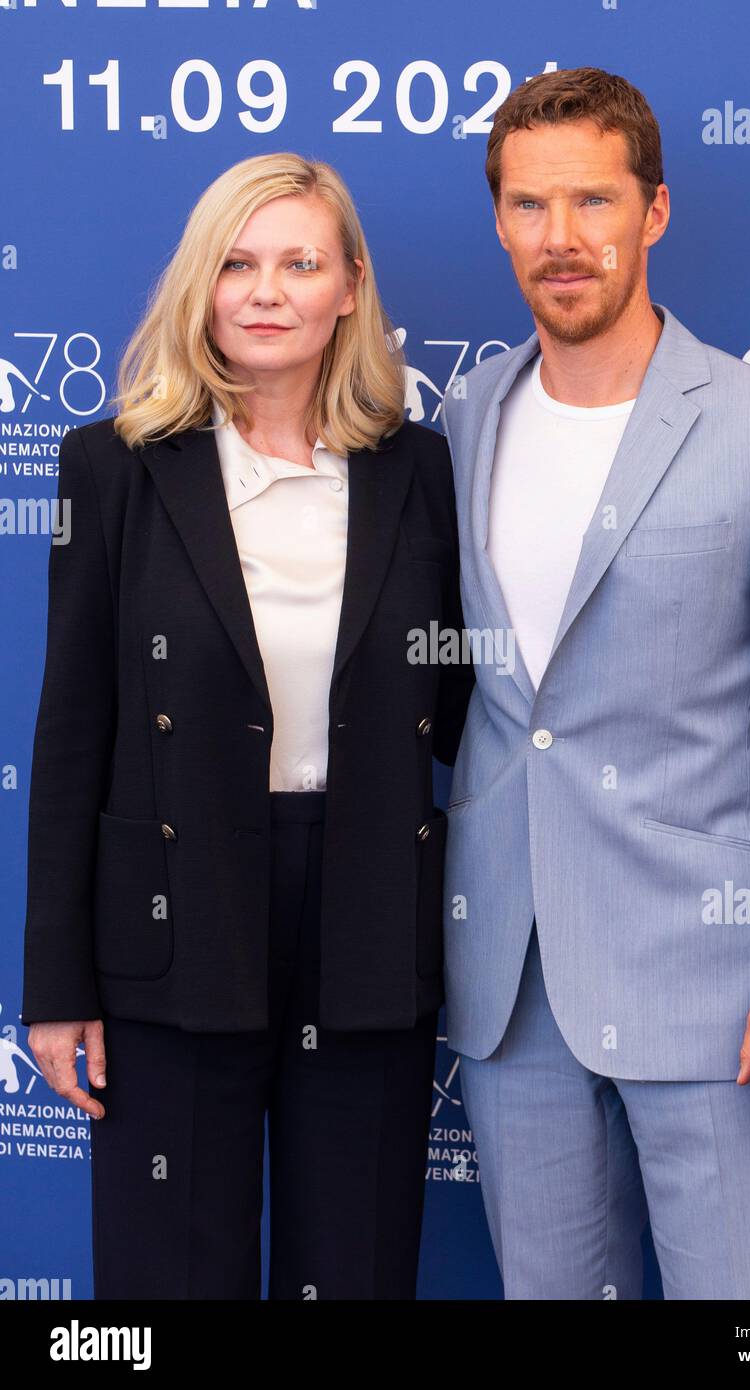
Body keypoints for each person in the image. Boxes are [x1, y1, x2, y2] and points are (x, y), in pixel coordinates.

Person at [440, 68, 750, 1299]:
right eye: (530, 206)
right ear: (497, 221)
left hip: (718, 994)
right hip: (511, 988)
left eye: (593, 200)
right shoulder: (466, 412)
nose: (561, 239)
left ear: (653, 211)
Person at [21, 152, 473, 1300]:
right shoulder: (112, 467)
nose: (265, 290)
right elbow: (71, 733)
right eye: (236, 263)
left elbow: (466, 707)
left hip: (368, 915)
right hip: (174, 918)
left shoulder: (418, 471)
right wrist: (56, 983)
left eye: (298, 262)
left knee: (356, 1267)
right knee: (167, 1281)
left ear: (350, 287)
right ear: (200, 288)